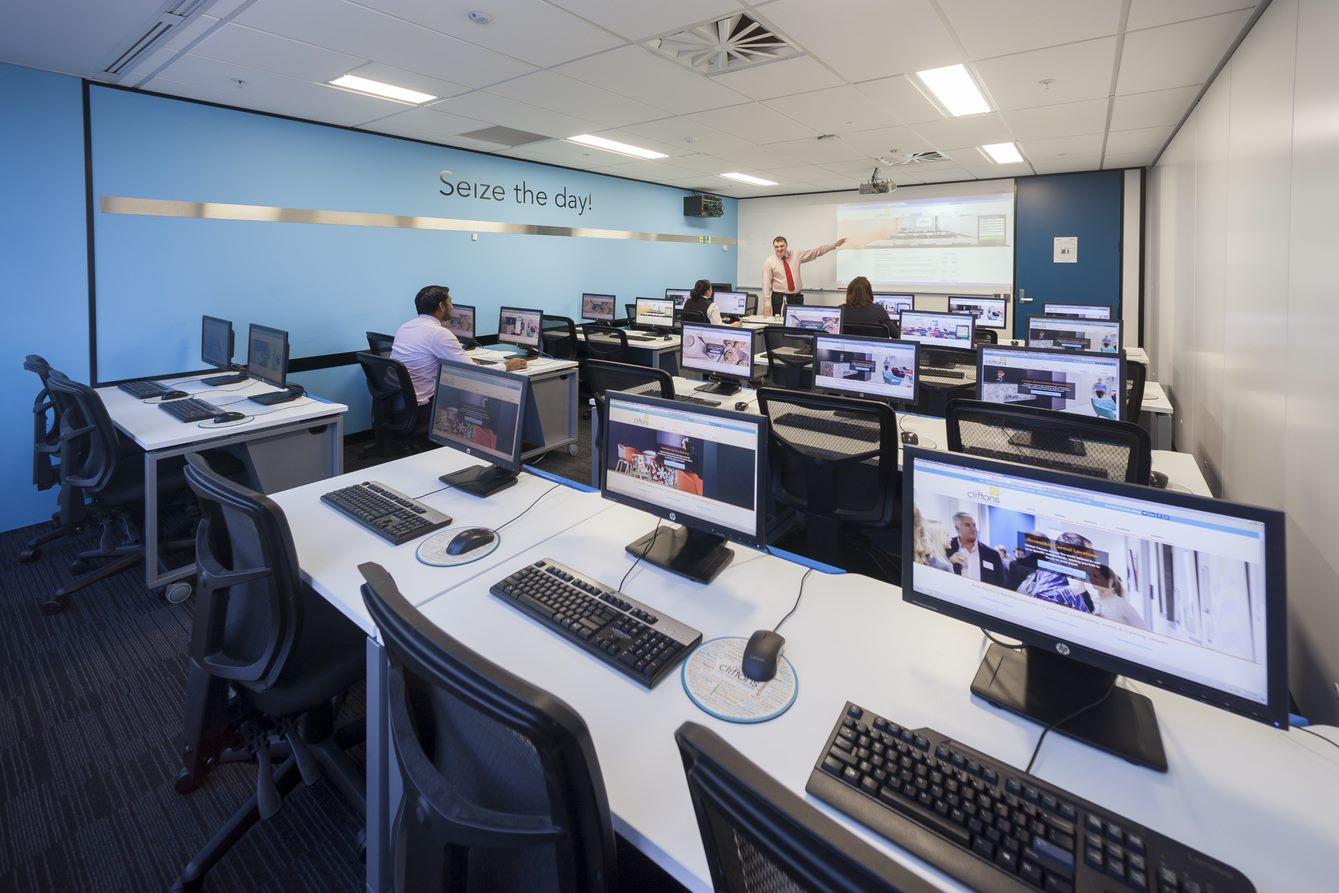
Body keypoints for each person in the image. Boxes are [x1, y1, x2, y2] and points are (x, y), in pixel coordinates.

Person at [391, 285, 473, 424]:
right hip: (422, 404)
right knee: (468, 393)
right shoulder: (438, 332)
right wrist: (504, 366)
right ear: (442, 306)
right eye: (450, 302)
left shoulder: (405, 326)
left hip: (398, 398)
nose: (452, 306)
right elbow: (471, 369)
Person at [762, 234, 846, 315]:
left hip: (796, 297)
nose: (779, 249)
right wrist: (767, 305)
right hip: (779, 298)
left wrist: (834, 245)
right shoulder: (770, 261)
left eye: (781, 246)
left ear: (786, 245)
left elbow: (815, 252)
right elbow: (766, 284)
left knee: (797, 324)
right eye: (776, 247)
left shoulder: (796, 255)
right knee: (781, 325)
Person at [945, 511, 1006, 585]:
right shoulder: (947, 548)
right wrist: (950, 562)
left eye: (974, 525)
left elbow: (1000, 582)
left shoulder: (992, 554)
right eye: (967, 525)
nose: (973, 528)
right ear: (957, 529)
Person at [1089, 565, 1149, 630]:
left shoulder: (1122, 605)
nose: (1092, 579)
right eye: (1091, 576)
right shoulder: (1092, 600)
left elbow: (1144, 630)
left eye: (1096, 576)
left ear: (1110, 581)